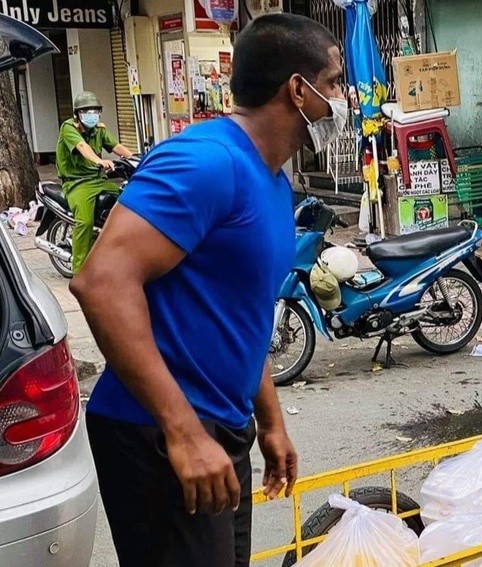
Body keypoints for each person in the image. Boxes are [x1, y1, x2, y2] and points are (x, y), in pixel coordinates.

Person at [70, 14, 347, 567]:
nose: (343, 98)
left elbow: (239, 312)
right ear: (298, 90)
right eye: (336, 82)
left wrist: (268, 419)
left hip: (220, 427)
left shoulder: (270, 178)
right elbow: (100, 282)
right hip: (159, 433)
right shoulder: (206, 161)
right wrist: (184, 431)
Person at [55, 91, 134, 273]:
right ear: (77, 114)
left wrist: (139, 159)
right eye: (86, 112)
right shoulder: (69, 128)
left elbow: (116, 147)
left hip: (98, 180)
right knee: (85, 222)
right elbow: (82, 147)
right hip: (77, 183)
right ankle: (80, 270)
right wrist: (99, 161)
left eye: (95, 112)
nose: (91, 116)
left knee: (128, 201)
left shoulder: (98, 129)